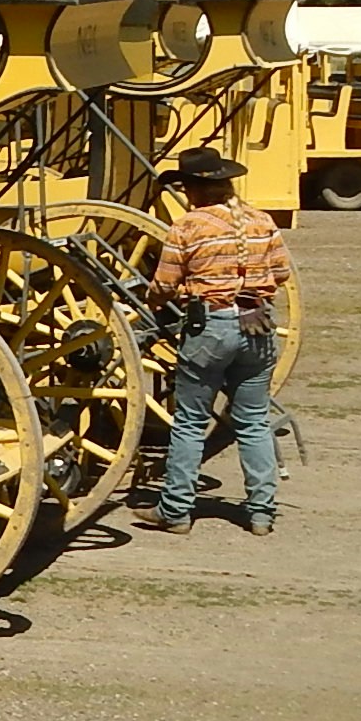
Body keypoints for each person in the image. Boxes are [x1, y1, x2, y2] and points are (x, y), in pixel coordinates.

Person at [132, 146, 294, 536]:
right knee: (253, 422)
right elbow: (283, 273)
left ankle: (175, 510)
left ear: (191, 190)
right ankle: (261, 512)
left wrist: (150, 305)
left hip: (210, 330)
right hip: (258, 325)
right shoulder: (261, 221)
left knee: (189, 422)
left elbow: (164, 286)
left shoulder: (187, 227)